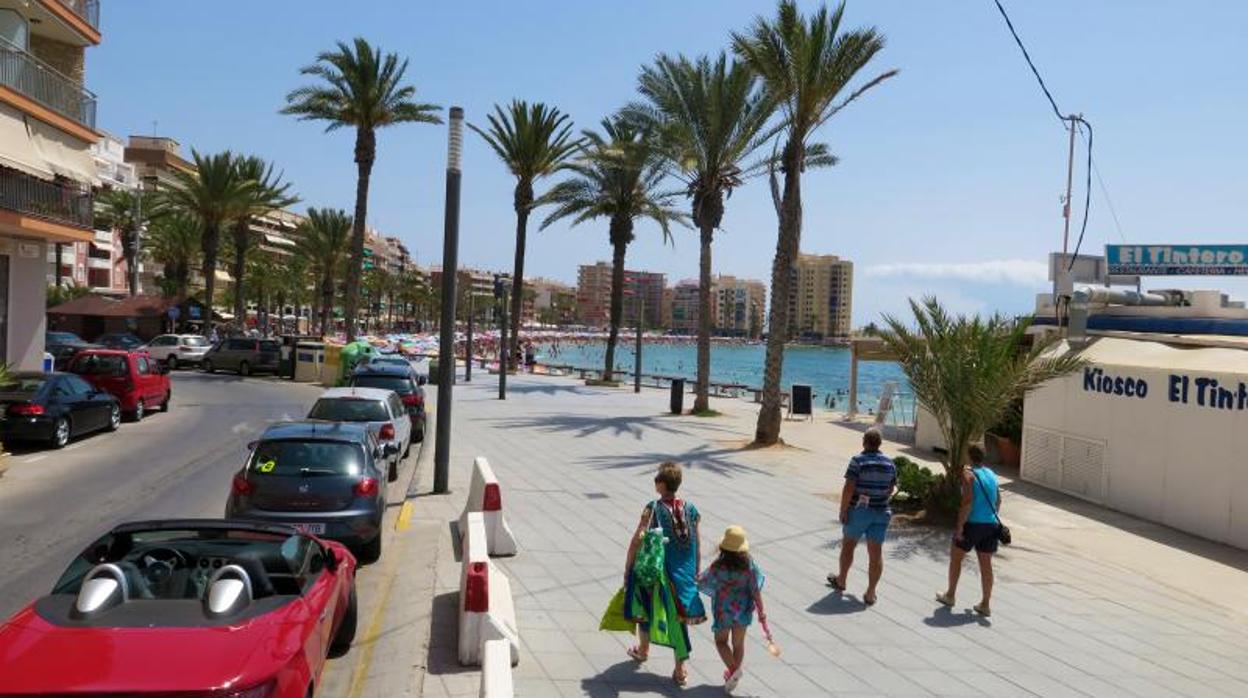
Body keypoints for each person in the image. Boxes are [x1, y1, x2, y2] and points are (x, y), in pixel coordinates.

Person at [622, 461, 707, 687]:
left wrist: (628, 565)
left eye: (657, 478)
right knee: (679, 619)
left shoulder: (652, 508)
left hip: (658, 573)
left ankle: (645, 650)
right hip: (684, 575)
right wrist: (696, 568)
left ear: (662, 484)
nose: (655, 481)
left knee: (644, 607)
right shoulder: (691, 509)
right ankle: (679, 668)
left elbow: (638, 538)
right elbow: (697, 542)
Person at [827, 428, 897, 605]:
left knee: (849, 545)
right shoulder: (890, 463)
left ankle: (842, 580)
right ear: (880, 444)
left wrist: (843, 510)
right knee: (876, 553)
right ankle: (870, 592)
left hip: (859, 511)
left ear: (864, 442)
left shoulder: (858, 461)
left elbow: (849, 487)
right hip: (881, 512)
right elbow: (890, 488)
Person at [698, 526, 767, 693]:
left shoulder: (718, 566)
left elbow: (703, 581)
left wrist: (695, 579)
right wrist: (761, 611)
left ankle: (733, 670)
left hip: (723, 612)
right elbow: (755, 590)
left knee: (721, 641)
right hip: (742, 611)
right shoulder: (749, 567)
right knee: (738, 644)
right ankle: (732, 674)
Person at [936, 444, 1001, 617]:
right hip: (990, 524)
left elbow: (967, 501)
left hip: (973, 524)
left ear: (968, 456)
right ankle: (985, 604)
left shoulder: (968, 475)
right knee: (986, 565)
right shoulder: (992, 474)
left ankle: (950, 595)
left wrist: (960, 527)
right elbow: (998, 501)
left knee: (956, 558)